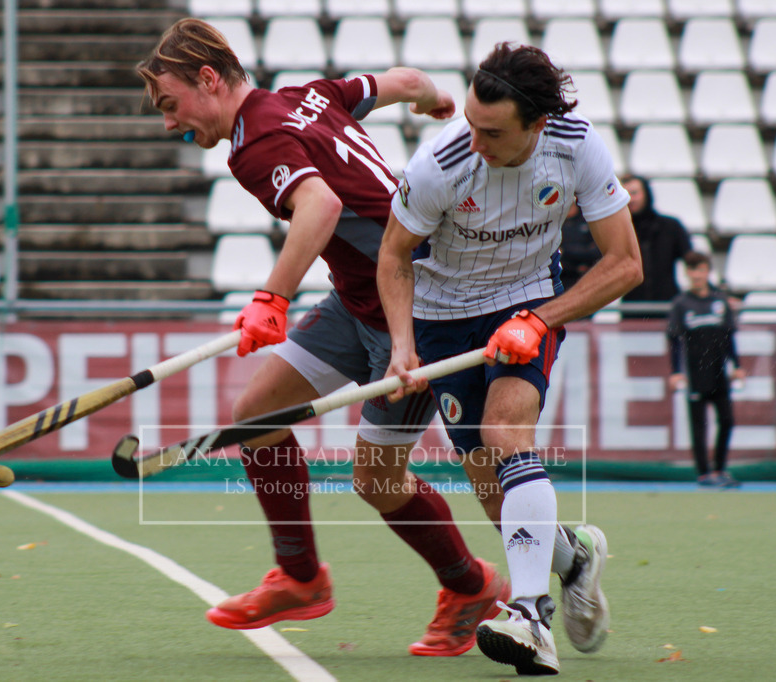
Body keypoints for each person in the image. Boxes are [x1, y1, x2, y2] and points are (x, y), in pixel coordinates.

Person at [136, 18, 511, 657]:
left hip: (416, 311)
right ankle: (301, 577)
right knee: (256, 415)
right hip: (357, 299)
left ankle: (470, 586)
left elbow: (321, 207)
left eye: (171, 105)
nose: (170, 123)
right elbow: (404, 81)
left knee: (377, 479)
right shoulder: (307, 94)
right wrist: (430, 100)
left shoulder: (254, 145)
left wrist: (271, 300)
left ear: (207, 78)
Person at [378, 43, 643, 675]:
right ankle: (574, 559)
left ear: (536, 125)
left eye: (491, 131)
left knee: (505, 433)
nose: (474, 140)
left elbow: (626, 263)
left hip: (530, 299)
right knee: (493, 492)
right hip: (442, 319)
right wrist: (401, 348)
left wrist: (538, 319)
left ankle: (529, 616)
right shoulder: (440, 163)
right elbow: (393, 256)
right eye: (469, 123)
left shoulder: (576, 146)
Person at [667, 251, 746, 488]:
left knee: (727, 420)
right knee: (699, 425)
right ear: (687, 273)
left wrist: (738, 366)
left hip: (719, 371)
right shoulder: (681, 304)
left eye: (700, 269)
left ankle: (720, 468)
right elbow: (674, 340)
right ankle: (704, 473)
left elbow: (728, 337)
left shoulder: (720, 301)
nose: (697, 275)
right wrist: (676, 371)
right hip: (695, 373)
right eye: (692, 270)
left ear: (707, 271)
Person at [620, 174, 691, 318]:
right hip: (632, 310)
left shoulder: (671, 227)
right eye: (625, 195)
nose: (631, 199)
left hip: (667, 308)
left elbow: (692, 261)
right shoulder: (619, 230)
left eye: (634, 193)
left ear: (646, 194)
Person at [559, 203, 601, 292]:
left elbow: (598, 252)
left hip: (589, 279)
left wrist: (566, 252)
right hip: (561, 279)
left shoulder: (589, 218)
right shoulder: (555, 223)